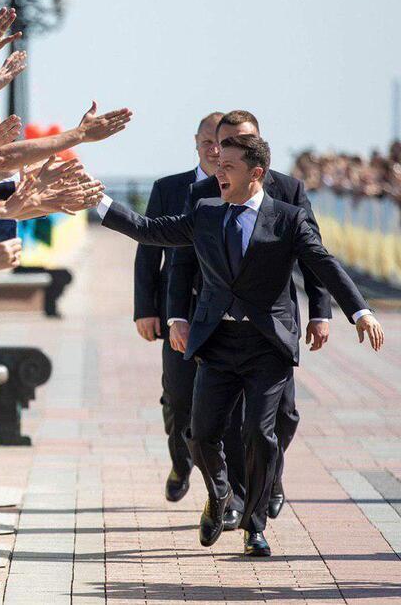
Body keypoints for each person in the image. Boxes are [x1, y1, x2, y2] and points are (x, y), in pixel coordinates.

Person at [91, 133, 384, 557]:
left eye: (228, 166)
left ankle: (255, 526)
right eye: (217, 163)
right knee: (202, 433)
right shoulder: (207, 212)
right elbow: (150, 231)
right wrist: (96, 199)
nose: (218, 171)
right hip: (218, 342)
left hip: (267, 346)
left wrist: (360, 312)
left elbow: (323, 263)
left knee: (259, 435)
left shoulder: (287, 219)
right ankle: (219, 492)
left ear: (256, 173)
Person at [167, 110, 332, 529]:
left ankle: (269, 479)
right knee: (219, 426)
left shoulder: (289, 192)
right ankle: (239, 504)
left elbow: (316, 258)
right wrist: (175, 316)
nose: (222, 162)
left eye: (238, 145)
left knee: (281, 420)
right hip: (218, 331)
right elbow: (181, 261)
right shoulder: (206, 196)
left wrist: (321, 312)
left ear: (256, 150)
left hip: (272, 330)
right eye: (220, 147)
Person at [133, 111, 223, 503]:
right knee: (177, 396)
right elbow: (148, 251)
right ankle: (181, 461)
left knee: (225, 400)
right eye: (208, 142)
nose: (215, 151)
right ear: (196, 143)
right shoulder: (169, 188)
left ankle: (225, 485)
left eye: (223, 143)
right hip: (177, 311)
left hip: (224, 311)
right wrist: (145, 308)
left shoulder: (247, 189)